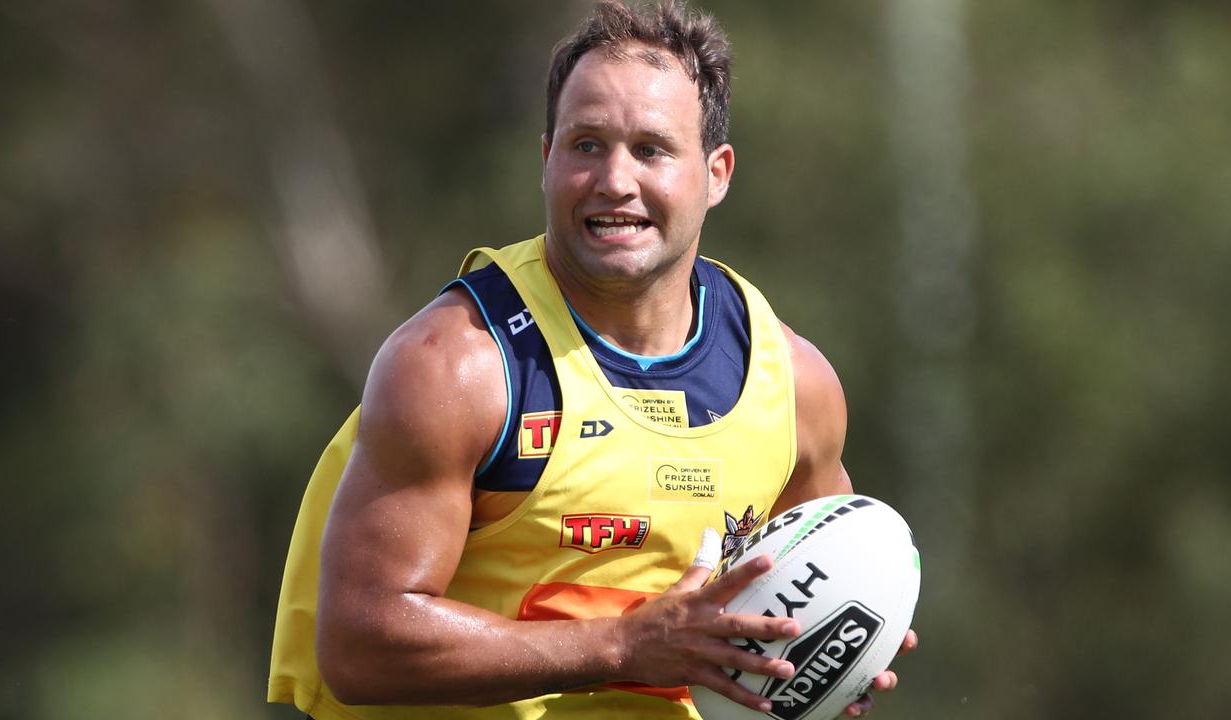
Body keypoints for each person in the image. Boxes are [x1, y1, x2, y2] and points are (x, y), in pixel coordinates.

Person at [267, 1, 916, 718]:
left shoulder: (794, 386)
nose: (614, 180)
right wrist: (620, 647)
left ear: (717, 172)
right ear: (546, 160)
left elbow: (802, 599)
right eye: (586, 145)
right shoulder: (458, 366)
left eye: (651, 149)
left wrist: (836, 662)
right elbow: (361, 644)